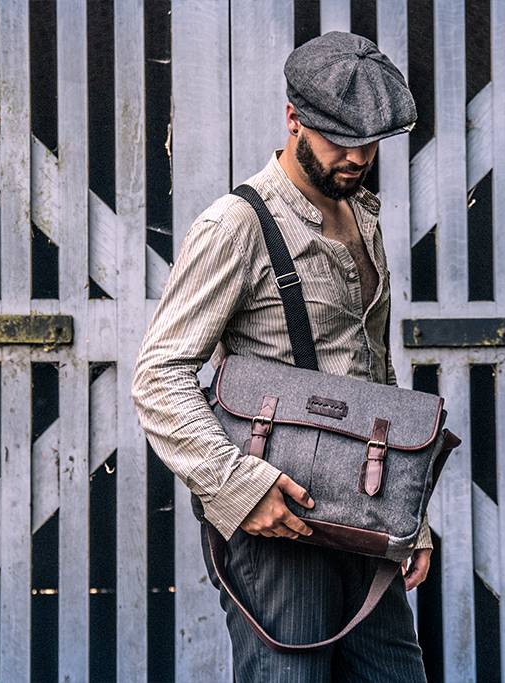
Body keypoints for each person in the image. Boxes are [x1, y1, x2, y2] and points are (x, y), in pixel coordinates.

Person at [132, 30, 431, 681]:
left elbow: (376, 378)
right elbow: (159, 376)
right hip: (279, 527)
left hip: (368, 520)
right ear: (293, 117)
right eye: (337, 137)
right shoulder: (235, 225)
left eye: (371, 140)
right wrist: (240, 487)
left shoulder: (365, 219)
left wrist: (412, 514)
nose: (356, 156)